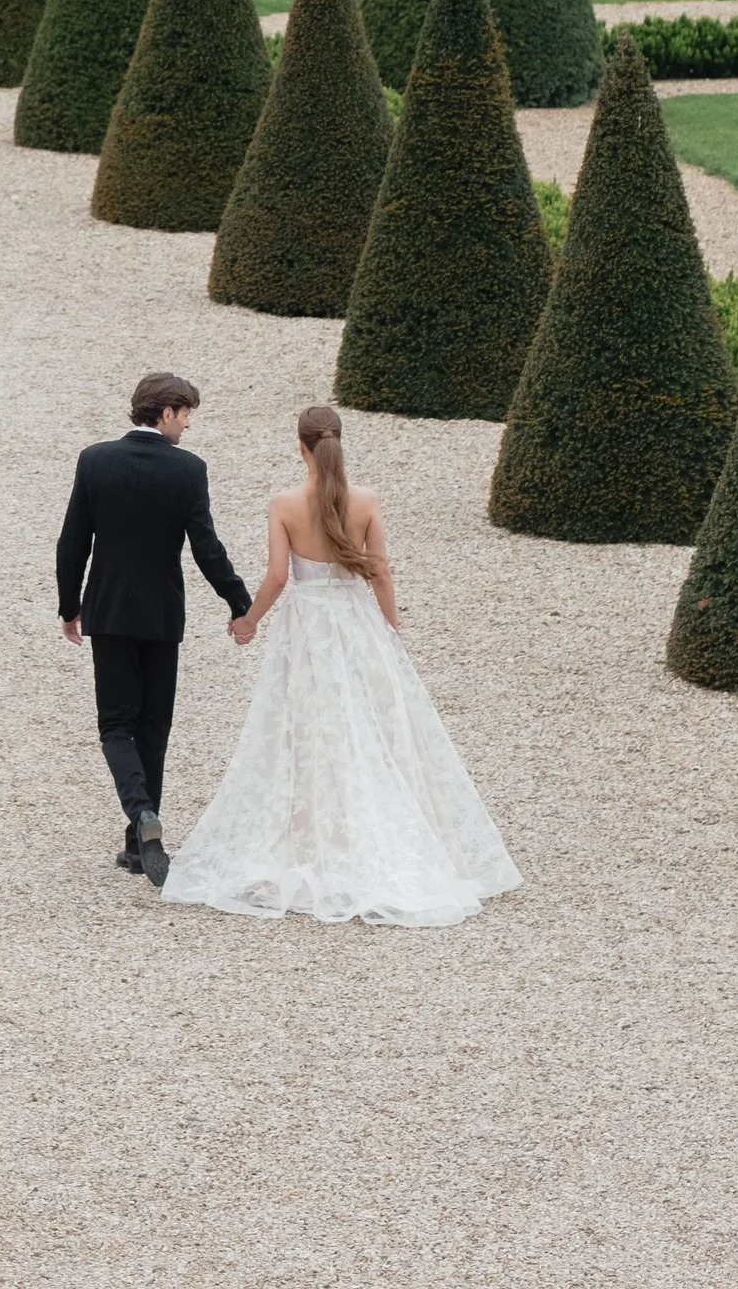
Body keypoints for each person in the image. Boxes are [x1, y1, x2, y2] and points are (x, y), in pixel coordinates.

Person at [160, 404, 520, 928]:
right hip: (356, 623)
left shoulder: (283, 503)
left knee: (303, 727)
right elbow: (380, 574)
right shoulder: (367, 501)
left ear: (301, 447)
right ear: (339, 444)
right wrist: (390, 628)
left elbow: (279, 577)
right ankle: (379, 834)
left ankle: (309, 837)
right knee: (372, 724)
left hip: (306, 627)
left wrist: (249, 621)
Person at [56, 371, 254, 884]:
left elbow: (72, 541)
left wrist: (68, 604)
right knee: (153, 727)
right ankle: (141, 847)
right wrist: (238, 601)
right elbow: (206, 548)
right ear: (164, 412)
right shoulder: (188, 470)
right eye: (185, 414)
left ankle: (142, 818)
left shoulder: (95, 460)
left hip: (110, 612)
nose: (187, 425)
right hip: (163, 616)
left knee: (116, 725)